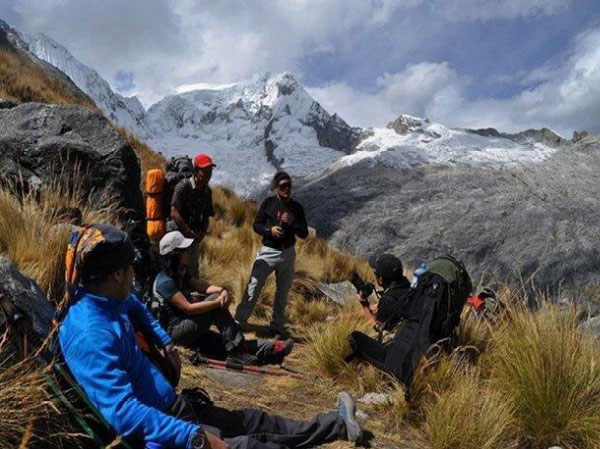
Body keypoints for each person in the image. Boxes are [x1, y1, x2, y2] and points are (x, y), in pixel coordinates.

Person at [58, 224, 364, 449]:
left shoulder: (105, 297)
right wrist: (194, 437)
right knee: (252, 444)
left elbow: (136, 306)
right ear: (116, 274)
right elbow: (123, 413)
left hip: (174, 408)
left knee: (254, 421)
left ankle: (337, 425)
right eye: (129, 269)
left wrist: (166, 343)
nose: (134, 275)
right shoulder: (90, 333)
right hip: (165, 434)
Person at [153, 231, 293, 365]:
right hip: (175, 333)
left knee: (223, 343)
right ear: (175, 255)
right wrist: (217, 302)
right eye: (184, 250)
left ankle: (272, 351)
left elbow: (204, 288)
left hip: (187, 327)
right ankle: (237, 352)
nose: (188, 253)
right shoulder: (165, 281)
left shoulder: (180, 273)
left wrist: (222, 291)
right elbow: (188, 308)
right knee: (218, 312)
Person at [235, 172, 308, 339]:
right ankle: (239, 321)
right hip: (268, 251)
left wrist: (293, 223)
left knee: (283, 292)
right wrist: (270, 230)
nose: (287, 189)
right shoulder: (268, 203)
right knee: (254, 286)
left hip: (288, 253)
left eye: (289, 185)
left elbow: (304, 233)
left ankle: (277, 326)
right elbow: (256, 225)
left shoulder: (297, 208)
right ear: (276, 188)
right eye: (283, 186)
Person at [347, 254, 419, 386]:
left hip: (396, 357)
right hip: (414, 347)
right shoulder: (408, 290)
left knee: (354, 337)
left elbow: (379, 329)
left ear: (380, 280)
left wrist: (365, 307)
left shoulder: (389, 300)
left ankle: (371, 375)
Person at [169, 153, 216, 278]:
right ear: (196, 171)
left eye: (210, 171)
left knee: (193, 269)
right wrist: (186, 230)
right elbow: (174, 211)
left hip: (193, 235)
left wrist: (202, 233)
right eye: (204, 171)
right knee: (175, 267)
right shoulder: (183, 186)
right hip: (177, 232)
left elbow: (206, 215)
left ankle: (192, 292)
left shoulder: (207, 191)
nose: (208, 175)